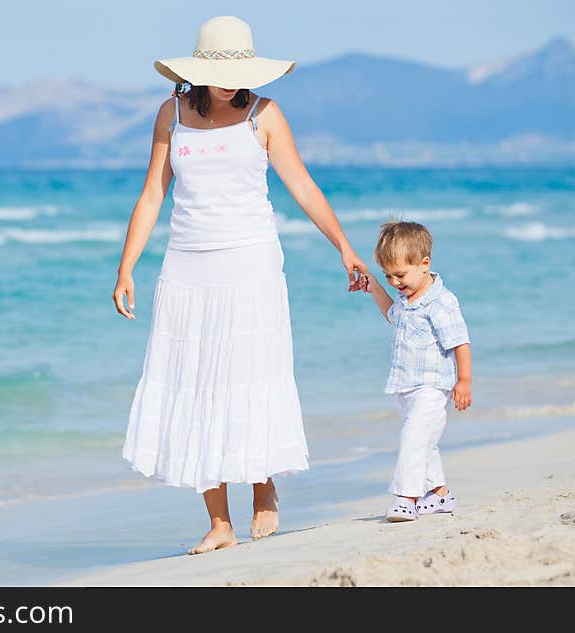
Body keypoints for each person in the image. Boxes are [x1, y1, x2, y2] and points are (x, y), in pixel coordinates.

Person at [112, 16, 367, 553]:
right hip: (186, 267)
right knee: (195, 383)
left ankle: (263, 484)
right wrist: (126, 267)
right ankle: (219, 523)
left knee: (250, 374)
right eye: (221, 70)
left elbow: (301, 184)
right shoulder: (171, 114)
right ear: (198, 71)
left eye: (240, 70)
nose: (232, 81)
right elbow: (153, 195)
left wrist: (343, 247)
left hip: (251, 263)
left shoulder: (264, 115)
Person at [359, 221, 472, 522]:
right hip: (407, 386)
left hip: (433, 387)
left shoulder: (441, 302)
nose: (395, 282)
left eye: (400, 275)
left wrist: (464, 380)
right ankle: (440, 495)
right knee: (425, 443)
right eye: (388, 275)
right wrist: (373, 285)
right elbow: (391, 315)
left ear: (424, 264)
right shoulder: (404, 299)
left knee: (412, 439)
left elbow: (460, 341)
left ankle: (406, 498)